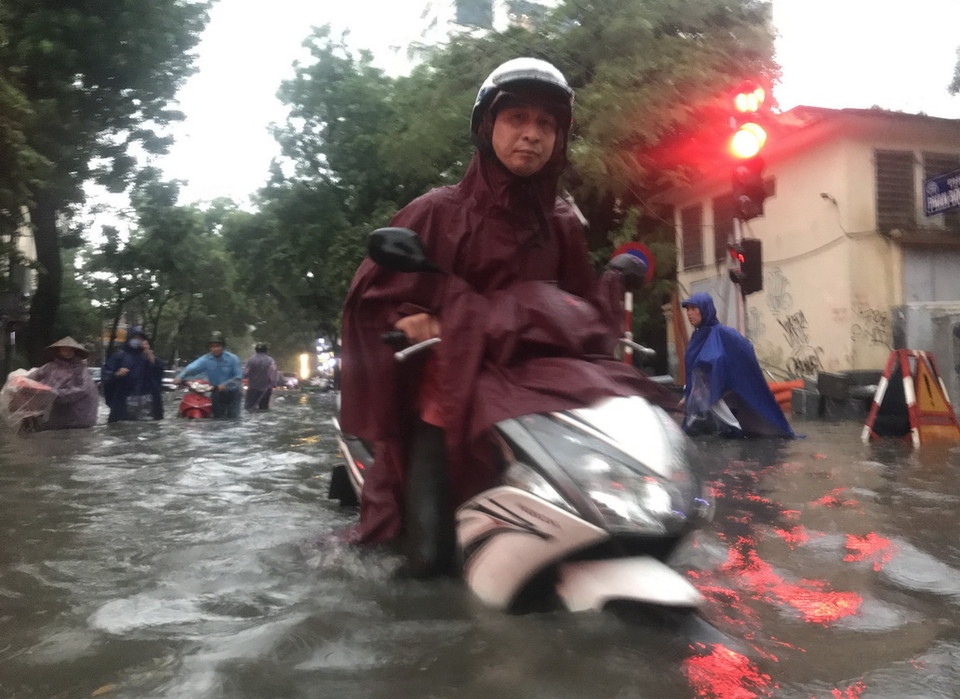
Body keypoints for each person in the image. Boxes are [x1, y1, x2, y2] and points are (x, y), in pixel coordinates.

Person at [339, 57, 673, 572]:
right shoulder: (435, 211)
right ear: (486, 126)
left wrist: (613, 283)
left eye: (545, 124)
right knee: (428, 562)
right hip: (449, 390)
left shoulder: (561, 222)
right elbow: (376, 298)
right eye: (516, 119)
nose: (532, 135)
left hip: (539, 393)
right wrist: (414, 318)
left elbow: (582, 310)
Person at [680, 292, 796, 438]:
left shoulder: (724, 333)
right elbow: (693, 369)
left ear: (705, 309)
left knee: (721, 414)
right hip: (705, 394)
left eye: (693, 308)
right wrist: (688, 393)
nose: (689, 313)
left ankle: (736, 432)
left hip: (720, 390)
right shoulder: (696, 338)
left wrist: (728, 376)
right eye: (687, 309)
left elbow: (744, 350)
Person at [8, 336, 99, 430]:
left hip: (74, 412)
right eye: (64, 350)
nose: (67, 353)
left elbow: (84, 388)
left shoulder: (80, 369)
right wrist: (21, 382)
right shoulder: (50, 367)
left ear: (74, 352)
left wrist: (58, 393)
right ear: (59, 351)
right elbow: (32, 378)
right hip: (54, 410)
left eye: (70, 350)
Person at [102, 327, 165, 422]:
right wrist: (117, 374)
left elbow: (158, 373)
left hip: (147, 402)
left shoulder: (148, 356)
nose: (137, 340)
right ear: (128, 339)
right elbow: (106, 375)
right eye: (134, 337)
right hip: (124, 401)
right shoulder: (119, 357)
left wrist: (149, 355)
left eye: (140, 338)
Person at [177, 332, 242, 419]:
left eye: (217, 346)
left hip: (233, 394)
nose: (215, 349)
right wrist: (180, 377)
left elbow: (238, 377)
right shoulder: (206, 359)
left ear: (223, 347)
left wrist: (226, 385)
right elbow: (192, 367)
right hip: (216, 393)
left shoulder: (233, 359)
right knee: (216, 418)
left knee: (233, 419)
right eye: (212, 346)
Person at [244, 343, 278, 411]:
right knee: (264, 408)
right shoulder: (271, 360)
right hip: (266, 389)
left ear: (256, 350)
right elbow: (273, 373)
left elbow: (246, 373)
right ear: (266, 350)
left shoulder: (251, 360)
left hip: (252, 388)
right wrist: (273, 384)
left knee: (249, 408)